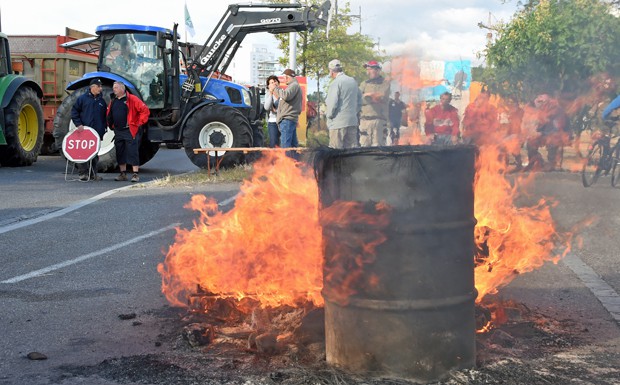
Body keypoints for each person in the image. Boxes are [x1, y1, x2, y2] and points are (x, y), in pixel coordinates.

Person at [107, 81, 150, 182]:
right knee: (120, 152)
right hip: (118, 131)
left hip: (129, 130)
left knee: (132, 152)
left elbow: (145, 110)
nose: (114, 89)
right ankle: (123, 174)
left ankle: (135, 174)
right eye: (114, 87)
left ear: (122, 88)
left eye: (116, 87)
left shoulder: (132, 99)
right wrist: (110, 125)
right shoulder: (113, 100)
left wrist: (138, 123)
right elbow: (109, 113)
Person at [70, 78, 108, 181]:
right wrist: (79, 124)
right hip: (84, 131)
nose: (100, 88)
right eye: (99, 86)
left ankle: (93, 174)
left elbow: (104, 117)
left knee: (95, 153)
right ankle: (83, 173)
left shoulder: (102, 101)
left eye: (101, 86)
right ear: (93, 87)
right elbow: (74, 112)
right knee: (83, 152)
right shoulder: (82, 99)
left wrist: (103, 129)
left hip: (96, 133)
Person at [523, 94, 569, 172]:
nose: (538, 99)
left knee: (551, 140)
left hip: (559, 134)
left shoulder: (556, 109)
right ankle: (535, 161)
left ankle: (551, 164)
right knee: (531, 142)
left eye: (541, 98)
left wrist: (543, 133)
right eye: (538, 97)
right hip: (545, 133)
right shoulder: (542, 110)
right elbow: (541, 124)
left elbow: (557, 126)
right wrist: (537, 133)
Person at [325, 59, 362, 149]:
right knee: (351, 152)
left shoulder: (335, 83)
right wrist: (354, 113)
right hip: (352, 122)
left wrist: (329, 116)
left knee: (335, 153)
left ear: (331, 71)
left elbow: (332, 104)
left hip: (338, 123)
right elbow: (360, 101)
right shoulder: (353, 81)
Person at [359, 60, 390, 147]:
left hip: (379, 121)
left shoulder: (385, 83)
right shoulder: (363, 84)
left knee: (379, 149)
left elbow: (380, 96)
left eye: (370, 68)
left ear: (377, 70)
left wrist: (367, 95)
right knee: (364, 148)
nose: (368, 71)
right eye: (367, 69)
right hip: (364, 121)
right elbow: (358, 99)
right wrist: (370, 96)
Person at [271, 68, 302, 151]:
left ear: (287, 77)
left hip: (287, 120)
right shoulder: (294, 86)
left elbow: (286, 96)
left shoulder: (294, 85)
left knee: (286, 147)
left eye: (284, 78)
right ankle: (294, 162)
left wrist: (275, 89)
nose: (284, 80)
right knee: (292, 146)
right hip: (289, 119)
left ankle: (286, 163)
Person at [263, 75, 280, 148]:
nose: (274, 84)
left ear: (278, 83)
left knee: (283, 144)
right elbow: (266, 107)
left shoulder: (282, 93)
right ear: (268, 86)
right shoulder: (267, 94)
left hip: (283, 122)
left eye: (275, 81)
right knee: (273, 144)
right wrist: (270, 93)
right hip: (273, 122)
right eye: (271, 82)